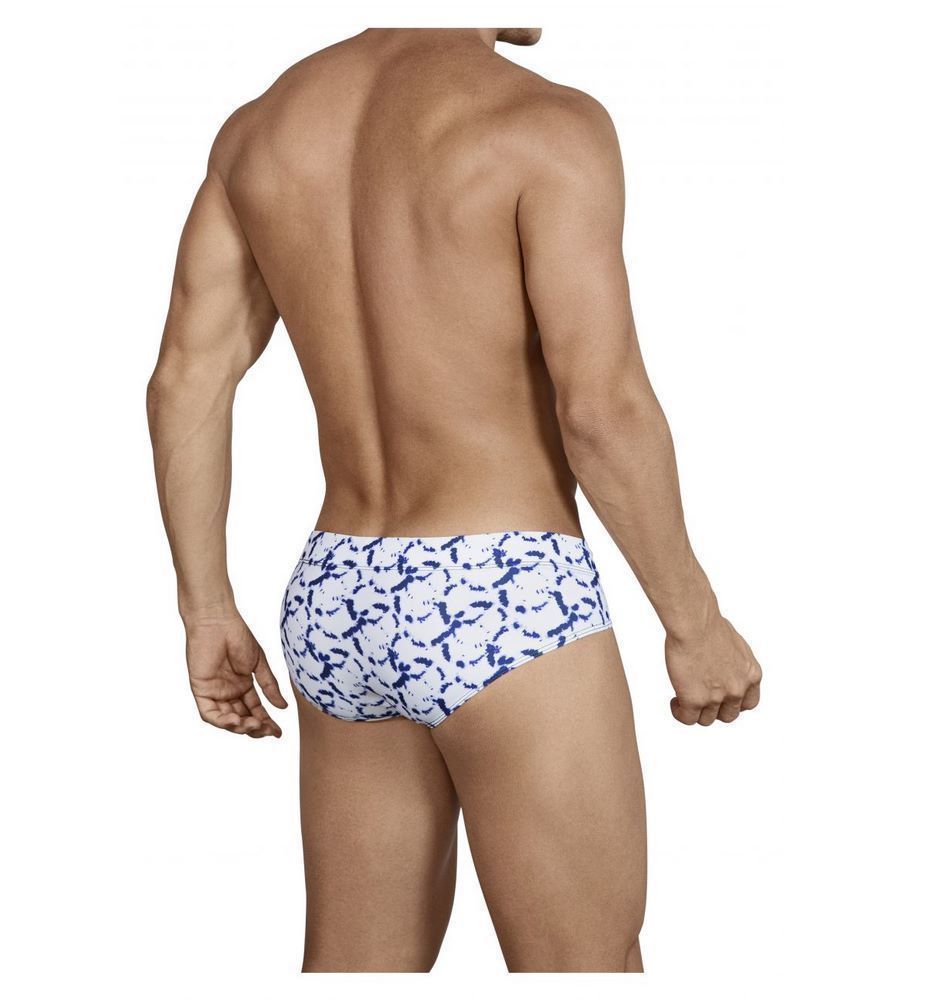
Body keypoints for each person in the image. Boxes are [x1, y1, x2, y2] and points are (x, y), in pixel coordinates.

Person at [147, 27, 762, 973]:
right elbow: (601, 410)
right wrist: (695, 622)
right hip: (502, 593)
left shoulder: (262, 128)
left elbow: (186, 379)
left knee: (356, 970)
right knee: (583, 969)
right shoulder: (544, 122)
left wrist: (206, 608)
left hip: (338, 594)